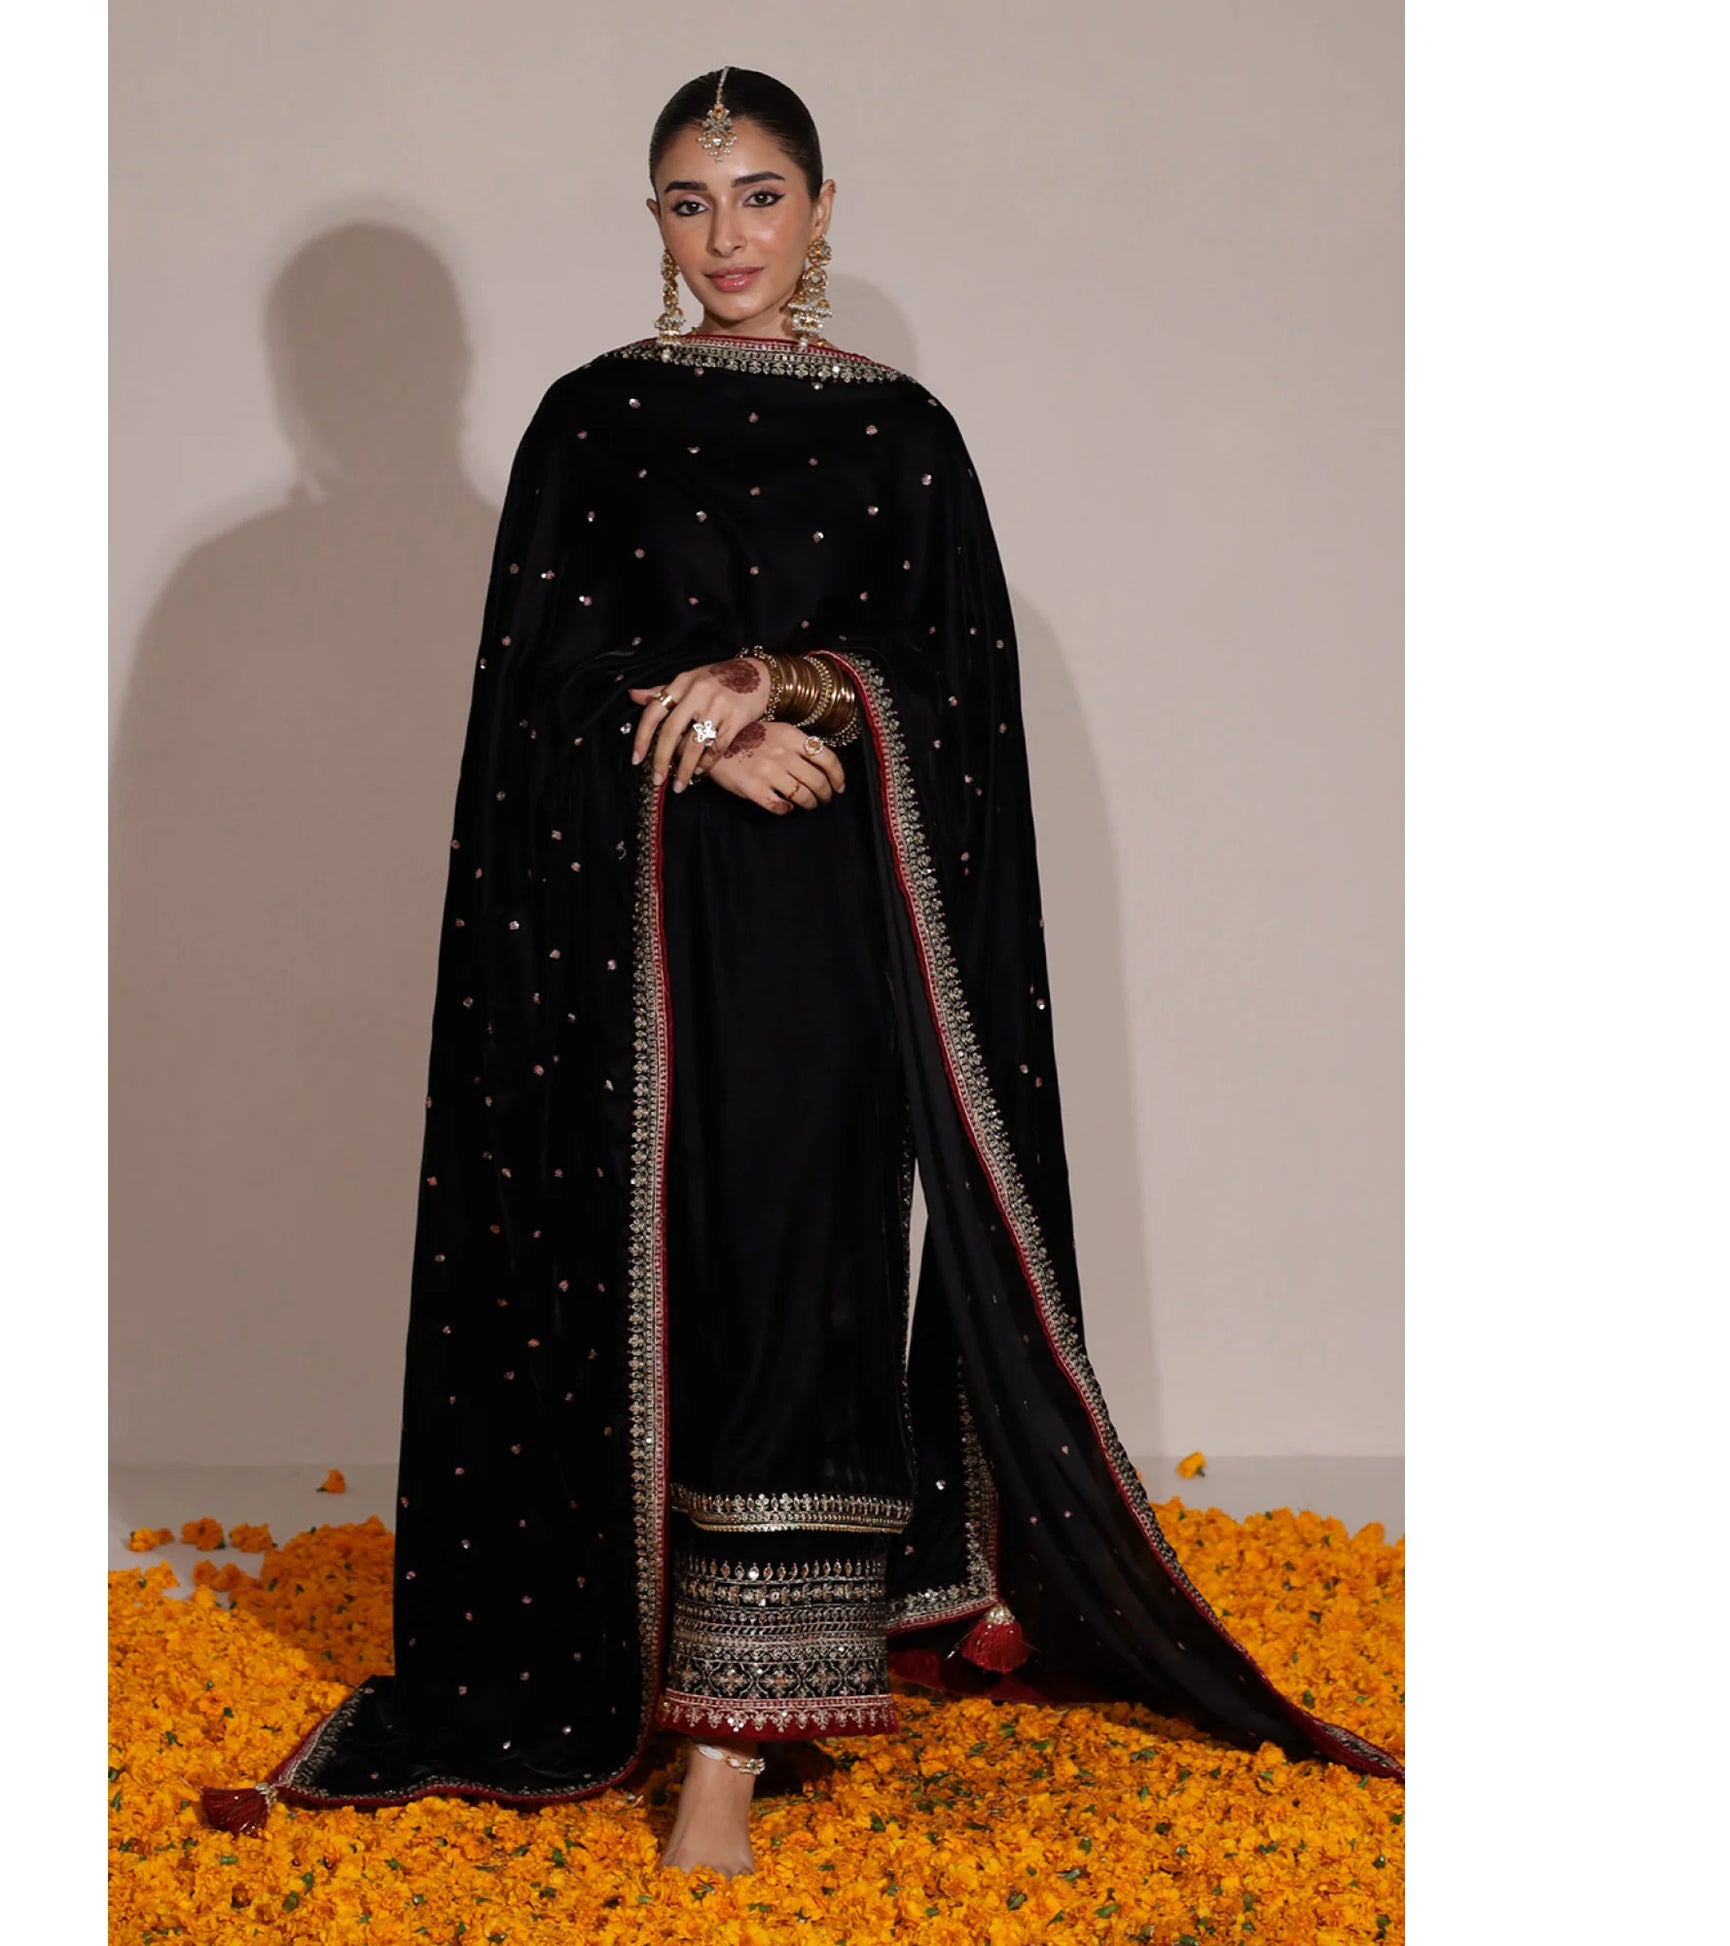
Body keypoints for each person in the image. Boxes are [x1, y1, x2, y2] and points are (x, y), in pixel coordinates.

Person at [200, 65, 1402, 1880]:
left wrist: (801, 683)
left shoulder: (902, 436)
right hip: (629, 948)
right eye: (689, 202)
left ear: (822, 210)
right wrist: (700, 731)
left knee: (798, 1272)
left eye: (759, 196)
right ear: (654, 221)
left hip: (828, 933)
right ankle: (629, 1651)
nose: (727, 237)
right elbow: (530, 698)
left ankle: (733, 1739)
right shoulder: (589, 423)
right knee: (660, 1284)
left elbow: (959, 694)